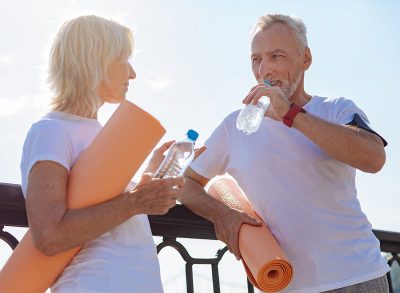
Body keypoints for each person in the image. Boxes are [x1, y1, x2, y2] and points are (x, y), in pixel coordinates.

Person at [179, 14, 390, 292]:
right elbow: (185, 184)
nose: (264, 70)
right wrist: (223, 216)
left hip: (360, 277)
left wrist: (291, 115)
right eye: (256, 59)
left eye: (276, 56)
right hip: (285, 285)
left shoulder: (337, 109)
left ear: (305, 58)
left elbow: (374, 159)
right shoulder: (234, 126)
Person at [21, 15, 183, 292]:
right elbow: (50, 236)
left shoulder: (102, 135)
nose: (132, 73)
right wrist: (136, 202)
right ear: (97, 61)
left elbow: (113, 213)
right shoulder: (51, 130)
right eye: (124, 60)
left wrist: (147, 181)